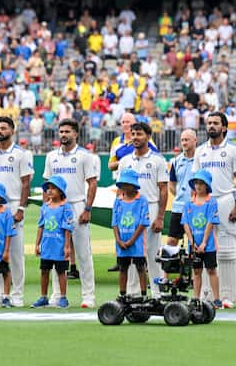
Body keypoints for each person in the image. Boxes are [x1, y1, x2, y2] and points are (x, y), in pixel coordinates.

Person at [43, 119, 98, 308]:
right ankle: (57, 294)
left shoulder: (84, 156)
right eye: (61, 131)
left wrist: (87, 209)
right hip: (56, 208)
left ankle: (88, 296)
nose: (63, 135)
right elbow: (47, 185)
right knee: (56, 253)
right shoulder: (51, 156)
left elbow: (92, 183)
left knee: (83, 253)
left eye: (67, 132)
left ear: (76, 134)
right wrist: (46, 207)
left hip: (77, 205)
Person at [0, 116, 33, 307]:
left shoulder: (21, 154)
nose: (0, 131)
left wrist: (21, 208)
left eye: (4, 128)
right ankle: (1, 293)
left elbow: (26, 183)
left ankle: (17, 294)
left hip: (12, 204)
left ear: (12, 130)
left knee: (15, 253)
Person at [193, 112, 236, 308]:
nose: (211, 126)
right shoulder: (200, 151)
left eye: (216, 123)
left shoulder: (233, 150)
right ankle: (207, 294)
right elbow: (195, 180)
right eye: (209, 123)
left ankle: (228, 295)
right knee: (204, 248)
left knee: (228, 251)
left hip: (225, 200)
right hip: (204, 202)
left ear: (224, 127)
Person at [117, 122, 168, 298]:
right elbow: (120, 190)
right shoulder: (124, 161)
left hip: (151, 207)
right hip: (129, 211)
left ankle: (156, 292)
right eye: (133, 134)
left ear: (147, 136)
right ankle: (133, 292)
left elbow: (163, 189)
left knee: (153, 253)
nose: (135, 137)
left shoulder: (157, 160)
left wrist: (160, 217)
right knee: (130, 252)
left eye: (139, 134)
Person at [31, 176, 73, 309]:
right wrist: (37, 244)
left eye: (53, 188)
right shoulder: (45, 207)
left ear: (61, 191)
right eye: (48, 188)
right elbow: (41, 226)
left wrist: (67, 246)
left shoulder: (65, 207)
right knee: (44, 271)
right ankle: (43, 297)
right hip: (47, 246)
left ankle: (63, 297)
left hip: (59, 246)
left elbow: (67, 228)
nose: (49, 191)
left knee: (61, 272)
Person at [183, 169, 222, 309]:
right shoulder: (188, 203)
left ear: (207, 185)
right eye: (196, 183)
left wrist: (204, 242)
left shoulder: (211, 202)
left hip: (209, 245)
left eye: (201, 183)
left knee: (211, 270)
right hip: (193, 245)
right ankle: (196, 298)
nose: (198, 186)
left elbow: (210, 223)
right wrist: (192, 243)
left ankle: (217, 299)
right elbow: (186, 224)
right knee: (197, 272)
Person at [111, 168, 150, 299]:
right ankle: (122, 294)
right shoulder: (118, 200)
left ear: (134, 185)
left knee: (140, 267)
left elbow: (143, 222)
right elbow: (114, 222)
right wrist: (118, 240)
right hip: (121, 242)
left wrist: (132, 241)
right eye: (122, 184)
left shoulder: (142, 200)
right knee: (122, 268)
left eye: (127, 184)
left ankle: (143, 294)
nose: (125, 187)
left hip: (137, 242)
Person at [167, 129, 197, 247]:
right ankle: (171, 265)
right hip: (179, 207)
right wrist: (180, 195)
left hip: (197, 207)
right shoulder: (176, 161)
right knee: (171, 241)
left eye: (187, 140)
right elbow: (171, 183)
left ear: (195, 140)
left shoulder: (201, 159)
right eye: (182, 140)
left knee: (195, 242)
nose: (184, 143)